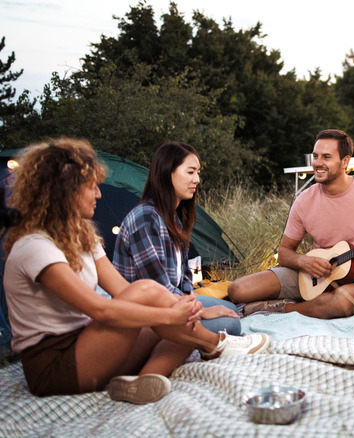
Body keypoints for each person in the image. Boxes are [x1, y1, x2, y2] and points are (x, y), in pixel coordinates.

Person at [2, 139, 269, 405]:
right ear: (64, 191)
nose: (98, 194)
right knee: (154, 295)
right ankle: (216, 345)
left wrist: (186, 310)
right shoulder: (35, 246)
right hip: (57, 366)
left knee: (179, 317)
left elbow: (121, 290)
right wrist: (170, 313)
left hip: (90, 341)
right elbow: (101, 309)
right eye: (90, 186)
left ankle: (143, 381)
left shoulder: (83, 237)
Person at [228, 129, 354, 319]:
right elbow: (284, 252)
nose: (318, 163)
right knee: (238, 290)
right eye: (315, 156)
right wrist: (304, 261)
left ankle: (279, 309)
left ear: (345, 161)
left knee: (340, 302)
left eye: (326, 157)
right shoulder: (304, 200)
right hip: (312, 277)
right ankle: (311, 305)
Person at [113, 142, 241, 335]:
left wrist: (191, 299)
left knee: (231, 310)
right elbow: (157, 288)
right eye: (190, 172)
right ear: (167, 173)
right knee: (230, 324)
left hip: (173, 300)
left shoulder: (174, 218)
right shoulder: (146, 219)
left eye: (198, 172)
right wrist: (201, 311)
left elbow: (184, 278)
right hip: (146, 311)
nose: (197, 179)